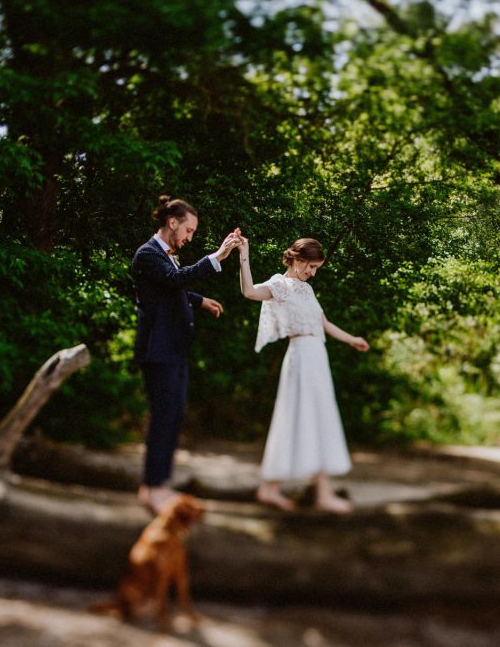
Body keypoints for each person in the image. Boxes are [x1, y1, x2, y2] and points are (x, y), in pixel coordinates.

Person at [237, 234, 370, 513]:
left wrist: (351, 339)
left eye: (316, 269)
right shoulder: (280, 285)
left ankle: (298, 490)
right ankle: (292, 490)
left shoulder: (307, 291)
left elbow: (323, 323)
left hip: (316, 357)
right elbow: (249, 292)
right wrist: (243, 254)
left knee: (317, 418)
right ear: (297, 259)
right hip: (300, 358)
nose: (312, 273)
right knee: (300, 417)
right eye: (310, 267)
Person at [131, 196, 241, 514]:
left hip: (173, 349)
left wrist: (198, 300)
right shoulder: (147, 254)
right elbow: (172, 280)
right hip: (158, 349)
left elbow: (171, 289)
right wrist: (218, 256)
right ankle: (151, 488)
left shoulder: (164, 255)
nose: (189, 237)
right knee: (162, 418)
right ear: (172, 222)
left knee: (175, 415)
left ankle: (161, 485)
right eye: (188, 230)